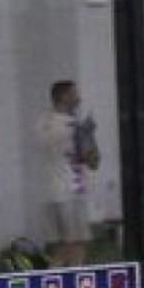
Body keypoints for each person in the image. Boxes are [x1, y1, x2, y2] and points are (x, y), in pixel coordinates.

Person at [35, 78, 99, 266]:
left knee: (63, 247)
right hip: (71, 191)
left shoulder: (43, 122)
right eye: (75, 94)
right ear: (64, 97)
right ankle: (75, 281)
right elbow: (93, 161)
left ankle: (52, 279)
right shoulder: (73, 127)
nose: (79, 98)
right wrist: (89, 136)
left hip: (51, 192)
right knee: (76, 245)